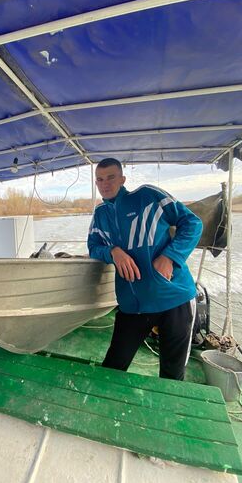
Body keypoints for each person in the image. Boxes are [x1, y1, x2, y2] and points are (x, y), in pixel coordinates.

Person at [87, 158, 203, 380]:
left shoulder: (148, 196)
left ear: (122, 179)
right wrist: (113, 251)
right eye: (99, 179)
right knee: (113, 367)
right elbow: (93, 247)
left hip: (175, 297)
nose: (105, 184)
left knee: (172, 374)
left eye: (111, 177)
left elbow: (192, 223)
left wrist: (170, 256)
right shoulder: (100, 214)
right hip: (133, 305)